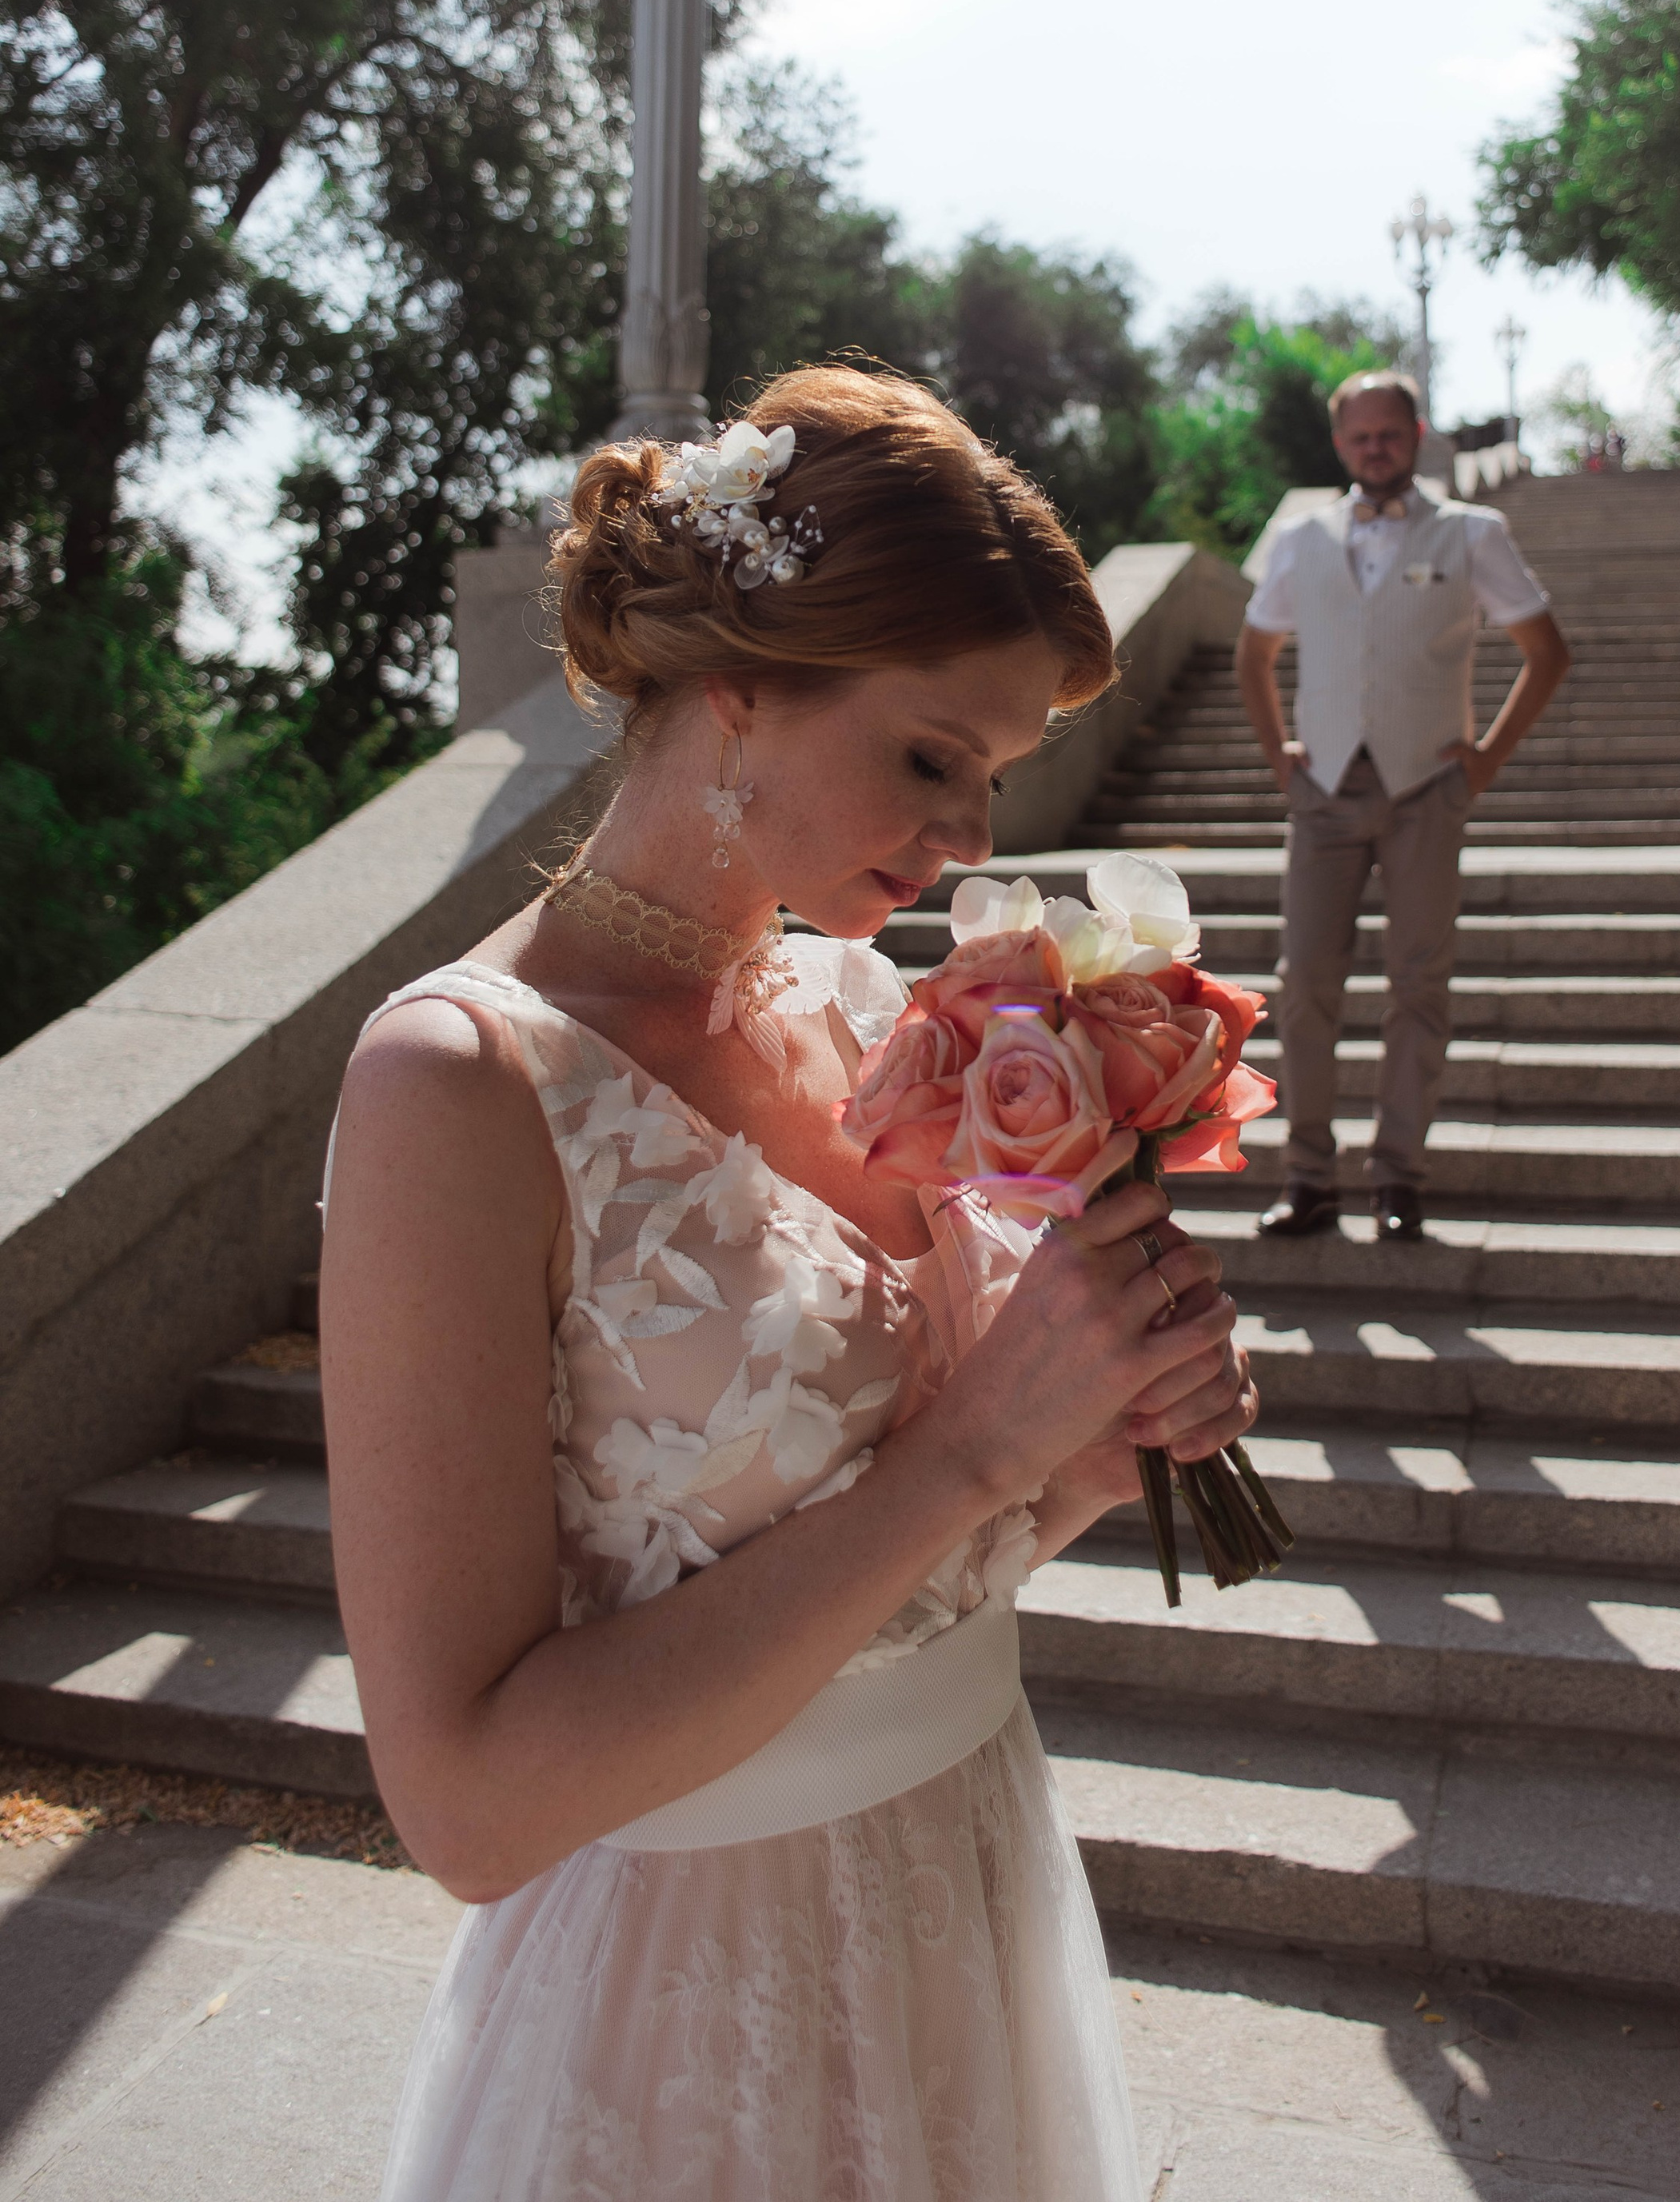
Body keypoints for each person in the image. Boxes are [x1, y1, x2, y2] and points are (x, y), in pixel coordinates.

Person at [321, 365, 1257, 2202]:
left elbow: (917, 1563)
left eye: (988, 774)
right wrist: (981, 1451)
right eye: (931, 756)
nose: (975, 835)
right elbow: (468, 1800)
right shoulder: (458, 1081)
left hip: (961, 1886)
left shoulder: (857, 1009)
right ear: (738, 698)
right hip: (679, 2004)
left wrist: (1088, 1436)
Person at [1234, 369, 1570, 1239]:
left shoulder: (1473, 532)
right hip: (1325, 795)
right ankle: (1307, 1176)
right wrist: (1281, 757)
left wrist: (1486, 758)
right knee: (1304, 984)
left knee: (1419, 987)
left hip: (1427, 788)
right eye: (1358, 437)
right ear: (1339, 445)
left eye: (1388, 433)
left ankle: (1397, 1178)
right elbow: (1254, 653)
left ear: (1415, 435)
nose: (1373, 448)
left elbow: (1546, 650)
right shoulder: (1301, 538)